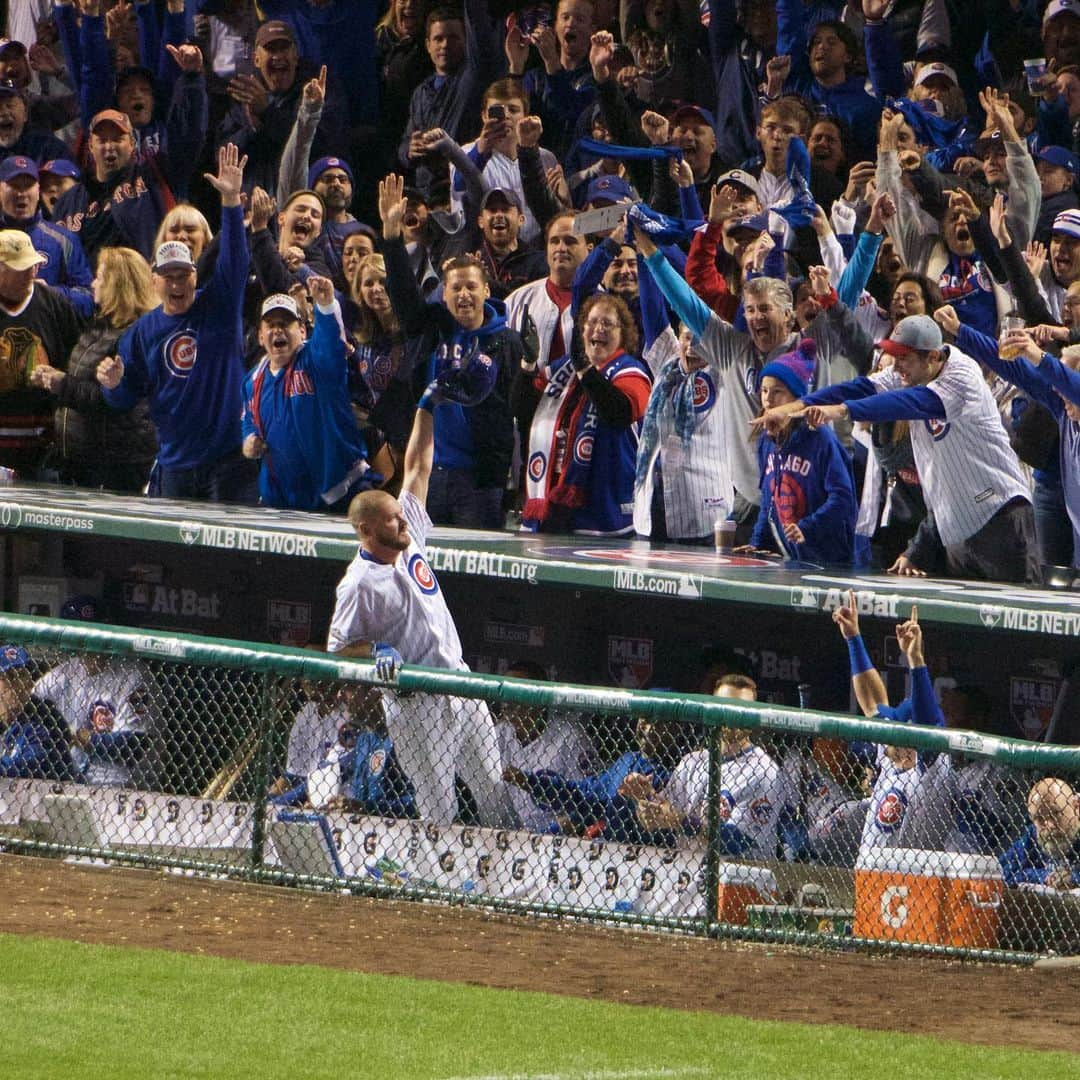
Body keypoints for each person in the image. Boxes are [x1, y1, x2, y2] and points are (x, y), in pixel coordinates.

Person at [326, 397, 513, 828]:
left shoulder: (410, 544)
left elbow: (416, 468)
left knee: (494, 791)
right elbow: (337, 651)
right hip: (415, 704)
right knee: (438, 806)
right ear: (367, 530)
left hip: (460, 683)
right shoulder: (358, 582)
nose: (404, 522)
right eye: (393, 520)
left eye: (401, 516)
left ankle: (505, 890)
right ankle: (435, 891)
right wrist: (373, 650)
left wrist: (426, 408)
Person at [764, 315, 1040, 583]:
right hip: (958, 529)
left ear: (932, 357)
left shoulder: (962, 376)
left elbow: (911, 403)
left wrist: (840, 410)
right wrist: (795, 407)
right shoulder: (914, 373)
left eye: (903, 358)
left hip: (1000, 519)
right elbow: (863, 387)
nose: (896, 368)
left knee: (1013, 624)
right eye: (894, 358)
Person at [96, 144, 257, 504]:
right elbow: (124, 399)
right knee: (172, 560)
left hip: (228, 464)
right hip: (174, 465)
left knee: (232, 558)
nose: (176, 283)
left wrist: (231, 203)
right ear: (153, 281)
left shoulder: (220, 307)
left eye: (183, 275)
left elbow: (234, 258)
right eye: (167, 276)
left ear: (195, 277)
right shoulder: (140, 333)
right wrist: (113, 385)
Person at [379, 172, 519, 528]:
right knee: (416, 564)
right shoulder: (431, 327)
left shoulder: (506, 342)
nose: (464, 295)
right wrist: (392, 238)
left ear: (487, 290)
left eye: (471, 287)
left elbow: (517, 413)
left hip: (478, 481)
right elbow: (402, 295)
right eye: (455, 288)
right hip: (427, 474)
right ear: (444, 294)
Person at [515, 291, 652, 535]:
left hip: (605, 512)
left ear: (624, 334)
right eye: (591, 322)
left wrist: (585, 370)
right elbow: (522, 411)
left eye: (607, 323)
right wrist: (527, 364)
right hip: (554, 507)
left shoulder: (632, 372)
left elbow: (618, 413)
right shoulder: (563, 368)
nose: (598, 329)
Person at [28, 246, 158, 492]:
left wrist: (62, 384)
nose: (93, 283)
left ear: (117, 284)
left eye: (99, 277)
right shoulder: (99, 325)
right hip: (82, 460)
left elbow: (115, 399)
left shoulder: (136, 335)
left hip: (116, 462)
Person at [241, 282, 379, 511]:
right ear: (260, 336)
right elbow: (248, 421)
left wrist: (325, 304)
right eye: (271, 325)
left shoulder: (317, 360)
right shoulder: (252, 380)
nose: (278, 330)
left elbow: (330, 342)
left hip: (340, 492)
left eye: (285, 323)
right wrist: (249, 440)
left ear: (303, 331)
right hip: (282, 500)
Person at [618, 673, 782, 857]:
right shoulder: (692, 761)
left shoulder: (765, 771)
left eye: (743, 709)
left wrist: (681, 822)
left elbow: (738, 841)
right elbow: (664, 813)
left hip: (739, 878)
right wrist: (645, 797)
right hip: (688, 875)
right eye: (726, 707)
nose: (734, 715)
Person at [831, 592, 944, 860]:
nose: (891, 733)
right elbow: (872, 704)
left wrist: (915, 658)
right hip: (871, 877)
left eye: (901, 729)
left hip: (916, 880)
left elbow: (928, 723)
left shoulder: (928, 767)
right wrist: (853, 639)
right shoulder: (890, 755)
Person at [742, 333, 858, 564]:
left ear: (796, 397)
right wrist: (757, 544)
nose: (768, 400)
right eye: (764, 391)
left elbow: (844, 498)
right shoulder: (766, 441)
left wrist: (808, 527)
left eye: (777, 392)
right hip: (795, 558)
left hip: (831, 559)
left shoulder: (820, 437)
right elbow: (768, 501)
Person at [38, 596, 156, 788]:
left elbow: (133, 748)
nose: (87, 643)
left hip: (123, 788)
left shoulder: (134, 675)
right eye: (80, 636)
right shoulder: (60, 675)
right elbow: (25, 712)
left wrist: (86, 740)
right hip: (68, 781)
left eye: (93, 633)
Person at [0, 227, 83, 480]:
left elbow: (78, 362)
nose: (31, 272)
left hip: (43, 447)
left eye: (32, 265)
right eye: (20, 267)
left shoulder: (55, 304)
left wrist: (59, 379)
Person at [494, 659, 596, 832]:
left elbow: (590, 805)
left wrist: (545, 836)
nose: (507, 701)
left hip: (557, 842)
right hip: (508, 837)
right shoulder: (499, 734)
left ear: (538, 700)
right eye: (505, 692)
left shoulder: (570, 737)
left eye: (516, 693)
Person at [0, 154, 92, 317]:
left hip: (48, 335)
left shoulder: (63, 240)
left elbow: (89, 298)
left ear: (38, 190)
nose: (21, 193)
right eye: (14, 185)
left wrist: (49, 293)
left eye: (28, 185)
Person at [0, 644, 76, 782]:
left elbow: (33, 763)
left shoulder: (43, 718)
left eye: (23, 675)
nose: (19, 685)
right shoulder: (7, 721)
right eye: (10, 677)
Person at [1000, 777, 1080, 890]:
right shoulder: (1033, 833)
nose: (1049, 825)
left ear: (1077, 807)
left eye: (1056, 813)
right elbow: (1001, 871)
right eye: (1039, 818)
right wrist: (1044, 876)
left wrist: (1074, 877)